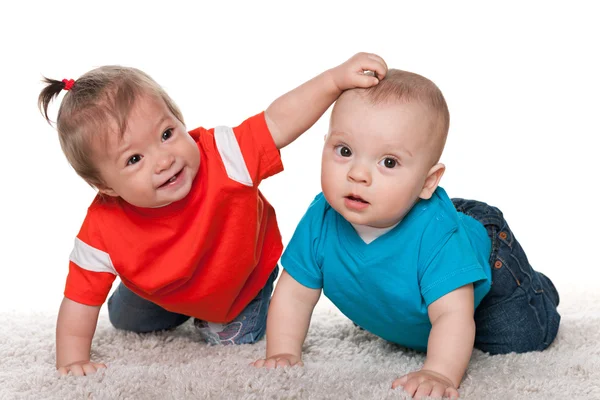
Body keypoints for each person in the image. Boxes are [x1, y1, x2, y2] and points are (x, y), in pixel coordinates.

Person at [38, 53, 388, 377]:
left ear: (179, 120)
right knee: (124, 319)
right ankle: (165, 303)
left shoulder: (224, 157)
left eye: (166, 134)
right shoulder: (102, 230)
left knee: (227, 338)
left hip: (238, 282)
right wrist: (72, 361)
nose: (164, 160)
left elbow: (278, 121)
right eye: (134, 159)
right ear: (105, 187)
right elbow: (79, 300)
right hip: (162, 288)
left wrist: (333, 81)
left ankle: (248, 301)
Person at [252, 69, 560, 399]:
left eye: (388, 162)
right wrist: (282, 352)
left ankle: (534, 289)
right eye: (344, 151)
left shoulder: (439, 237)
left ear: (428, 182)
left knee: (516, 335)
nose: (357, 174)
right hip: (412, 241)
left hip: (486, 258)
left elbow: (451, 313)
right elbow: (295, 293)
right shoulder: (322, 217)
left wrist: (438, 372)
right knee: (401, 314)